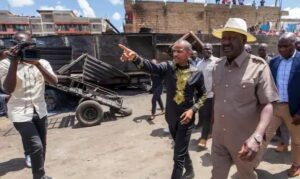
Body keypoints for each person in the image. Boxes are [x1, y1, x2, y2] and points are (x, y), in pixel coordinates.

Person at [118, 40, 207, 179]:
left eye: (179, 51)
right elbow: (151, 67)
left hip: (186, 120)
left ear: (189, 53)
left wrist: (192, 110)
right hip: (171, 118)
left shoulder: (197, 73)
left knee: (177, 157)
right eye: (174, 51)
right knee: (181, 148)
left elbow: (203, 96)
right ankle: (190, 172)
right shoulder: (167, 67)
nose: (175, 54)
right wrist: (135, 58)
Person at [211, 18, 279, 179]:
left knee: (246, 175)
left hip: (245, 141)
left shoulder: (258, 66)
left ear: (244, 40)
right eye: (224, 38)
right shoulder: (217, 67)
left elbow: (268, 104)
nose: (226, 42)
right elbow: (217, 98)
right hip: (219, 137)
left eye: (232, 38)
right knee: (217, 175)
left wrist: (257, 137)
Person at [0, 32, 57, 179]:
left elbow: (54, 81)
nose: (27, 48)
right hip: (20, 112)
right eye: (22, 45)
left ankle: (41, 174)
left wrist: (37, 64)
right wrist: (14, 62)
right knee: (36, 146)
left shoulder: (42, 62)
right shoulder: (5, 64)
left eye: (29, 45)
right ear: (14, 45)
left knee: (42, 146)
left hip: (40, 110)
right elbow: (8, 89)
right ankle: (39, 176)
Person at [257, 32, 300, 177]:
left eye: (286, 46)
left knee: (296, 140)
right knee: (263, 136)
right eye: (279, 46)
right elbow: (268, 84)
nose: (282, 49)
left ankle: (296, 164)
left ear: (294, 44)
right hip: (274, 107)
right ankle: (253, 163)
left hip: (293, 110)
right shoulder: (274, 61)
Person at [196, 43, 220, 149]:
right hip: (203, 96)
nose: (206, 50)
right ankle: (206, 135)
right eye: (204, 48)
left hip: (214, 95)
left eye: (208, 48)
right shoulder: (199, 64)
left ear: (212, 50)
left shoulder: (217, 62)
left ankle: (206, 136)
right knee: (205, 116)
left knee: (211, 117)